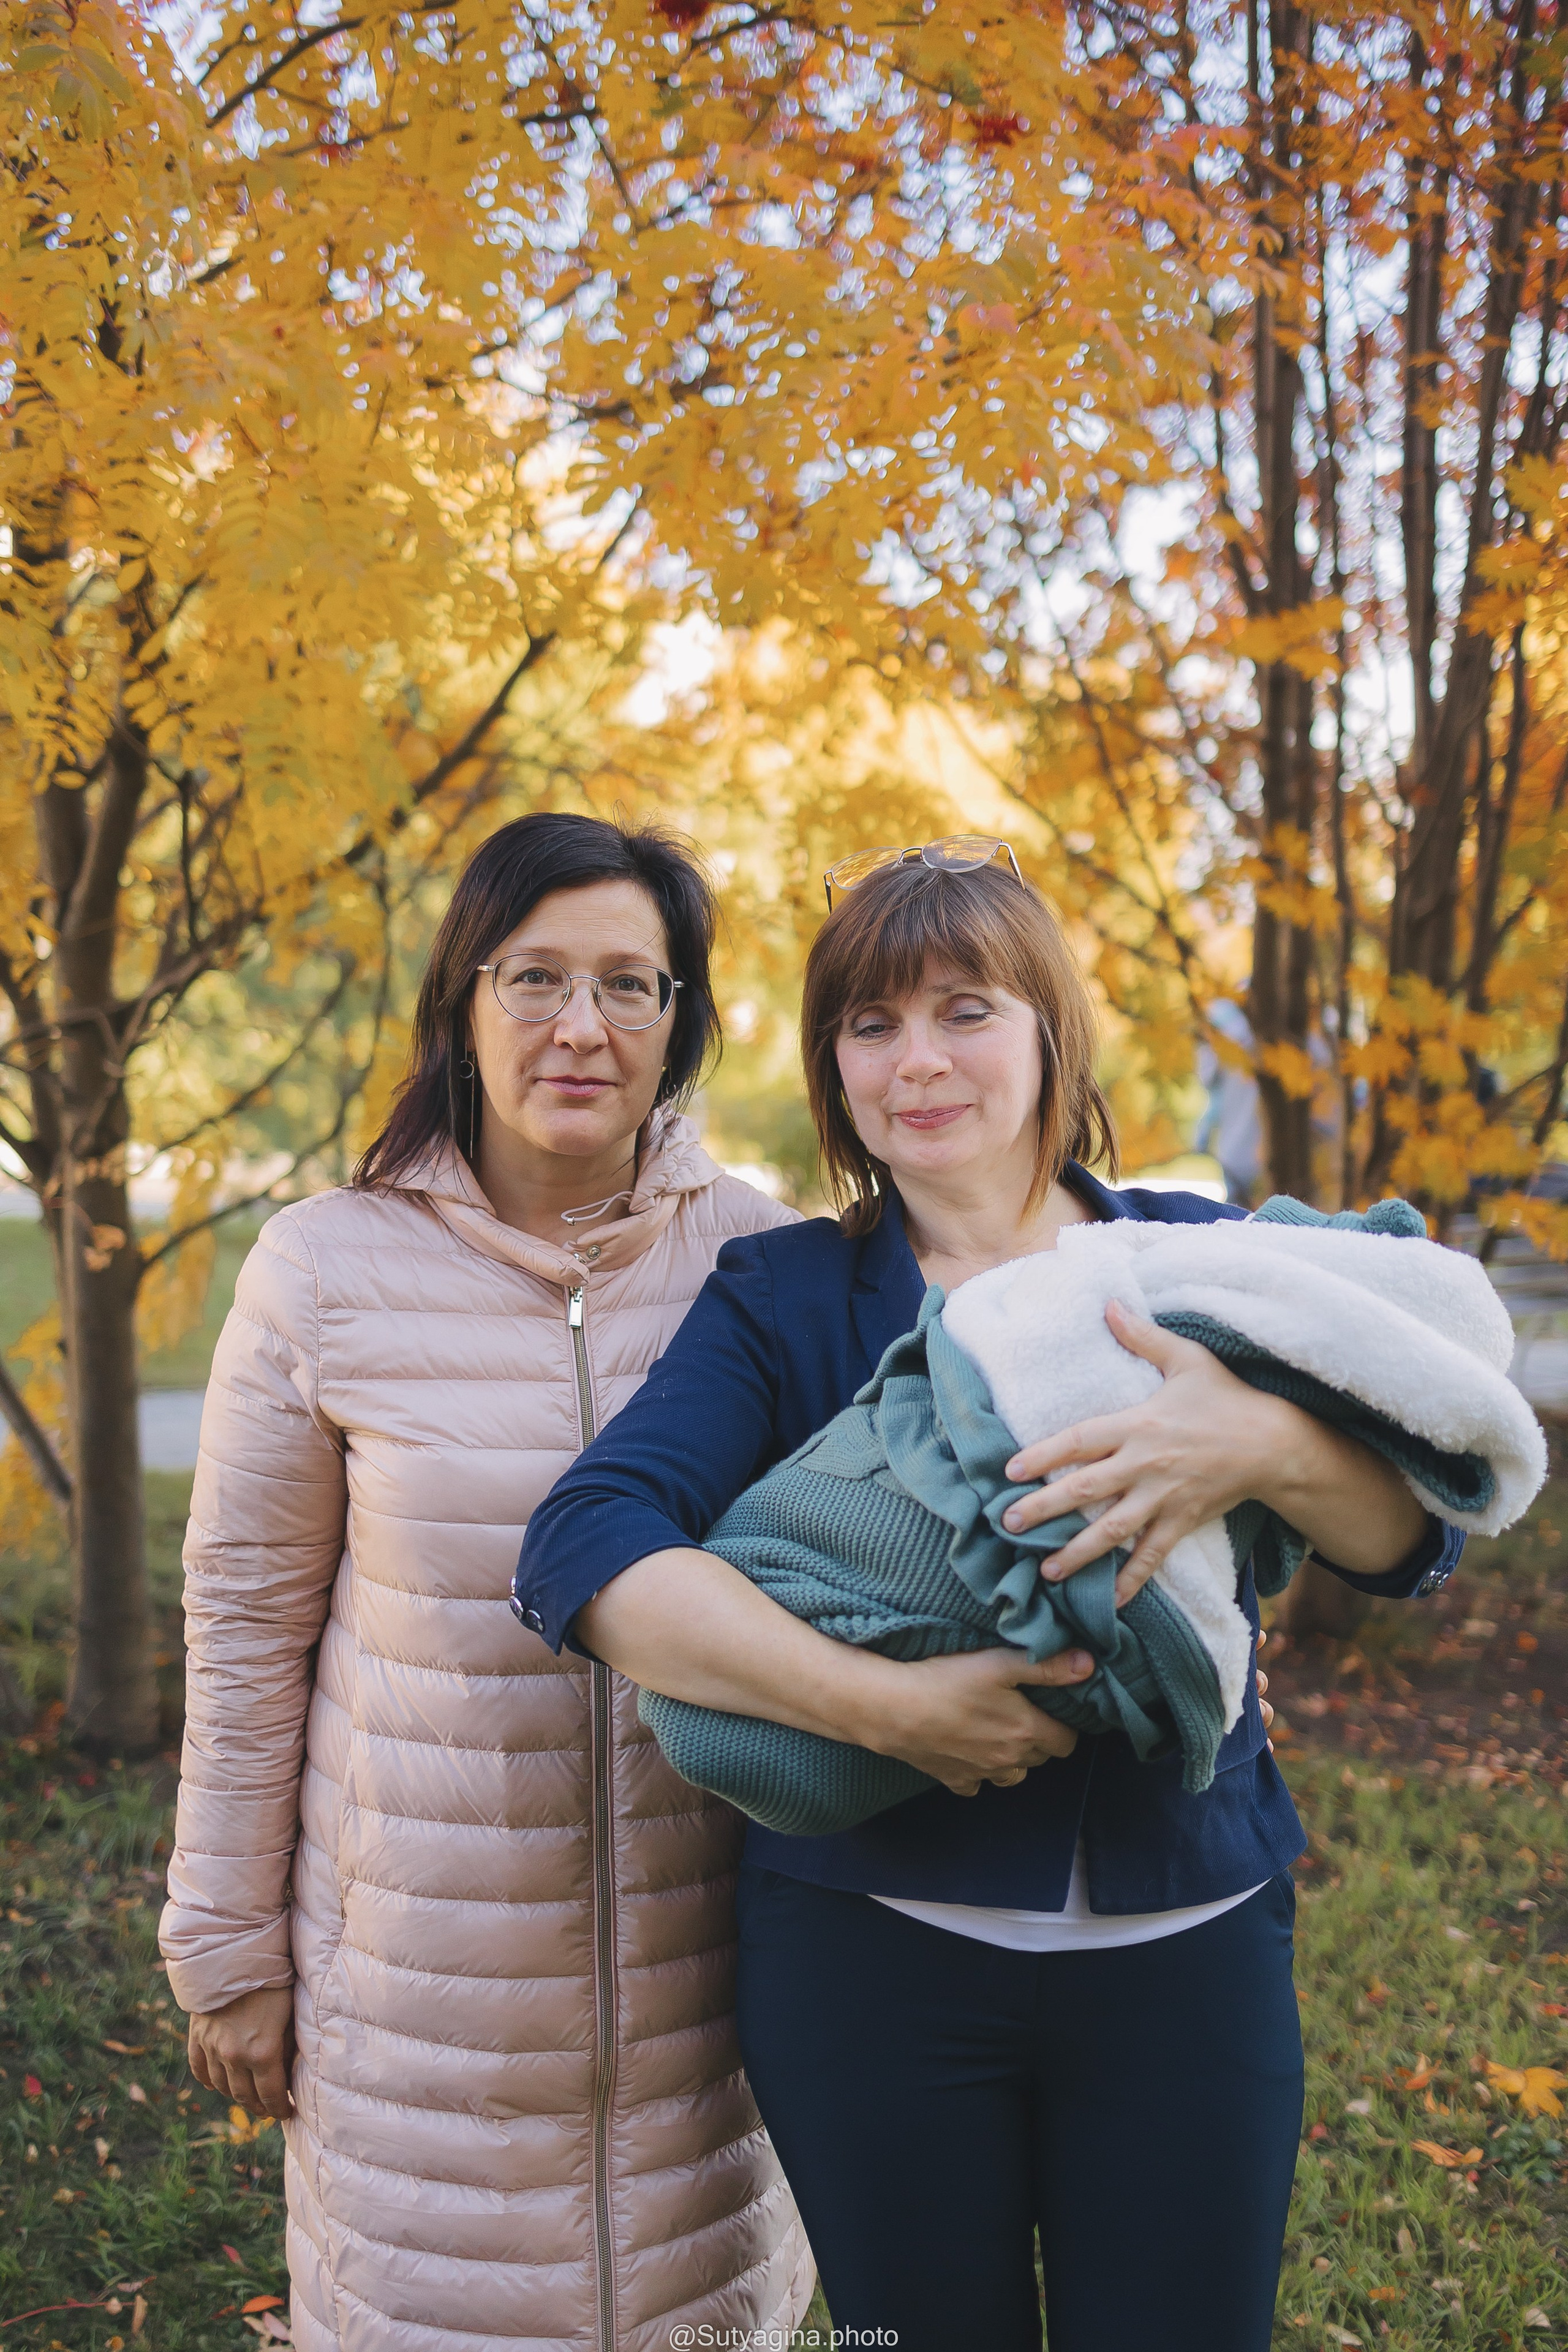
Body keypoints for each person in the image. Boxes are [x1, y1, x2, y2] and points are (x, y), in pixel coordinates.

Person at [515, 840, 1464, 2352]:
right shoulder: (788, 1301)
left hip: (1189, 1948)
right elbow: (584, 1549)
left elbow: (1404, 1540)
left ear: (1045, 1032)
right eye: (871, 1025)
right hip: (872, 1971)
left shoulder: (1188, 1261)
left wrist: (1261, 1438)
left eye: (966, 1009)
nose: (919, 1063)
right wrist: (888, 1706)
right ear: (832, 1066)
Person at [159, 814, 814, 2352]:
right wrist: (226, 1947)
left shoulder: (768, 1262)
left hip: (703, 1998)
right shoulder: (322, 1269)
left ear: (680, 1021)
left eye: (630, 987)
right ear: (462, 998)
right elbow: (248, 1625)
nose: (581, 1027)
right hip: (420, 2012)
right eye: (534, 977)